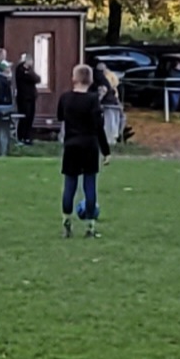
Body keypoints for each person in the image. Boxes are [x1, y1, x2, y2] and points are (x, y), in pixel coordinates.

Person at [58, 63, 111, 236]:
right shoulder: (93, 99)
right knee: (89, 185)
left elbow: (60, 116)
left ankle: (66, 222)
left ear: (74, 78)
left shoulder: (65, 98)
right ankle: (90, 226)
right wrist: (106, 150)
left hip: (71, 144)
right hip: (89, 144)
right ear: (90, 80)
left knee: (70, 185)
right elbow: (98, 127)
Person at [94, 61, 124, 151]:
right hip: (113, 104)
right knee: (114, 123)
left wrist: (96, 103)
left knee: (109, 124)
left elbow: (102, 93)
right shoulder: (108, 79)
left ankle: (110, 140)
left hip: (108, 106)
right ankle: (115, 138)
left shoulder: (101, 81)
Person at [14, 55, 39, 144]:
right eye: (30, 61)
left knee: (31, 117)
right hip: (24, 97)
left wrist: (30, 73)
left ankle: (28, 137)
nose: (32, 63)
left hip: (31, 97)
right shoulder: (20, 69)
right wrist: (28, 73)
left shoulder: (30, 70)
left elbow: (37, 79)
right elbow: (30, 78)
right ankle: (21, 137)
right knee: (25, 117)